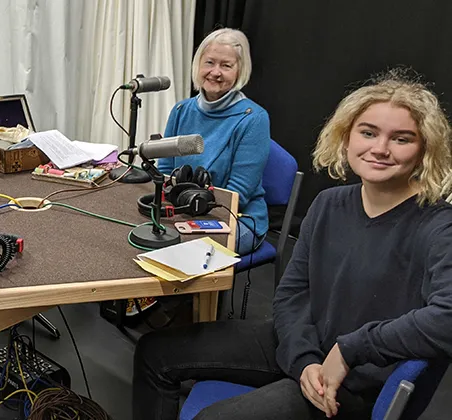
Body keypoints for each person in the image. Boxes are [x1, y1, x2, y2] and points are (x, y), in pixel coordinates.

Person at [132, 69, 452, 420]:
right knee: (155, 353)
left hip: (356, 382)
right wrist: (303, 359)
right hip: (307, 346)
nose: (380, 148)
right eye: (368, 132)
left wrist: (350, 349)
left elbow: (446, 317)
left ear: (424, 150)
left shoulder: (439, 225)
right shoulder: (329, 204)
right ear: (346, 137)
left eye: (401, 139)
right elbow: (292, 293)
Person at [156, 28, 269, 255]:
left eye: (226, 65)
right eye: (209, 62)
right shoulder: (181, 110)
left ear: (240, 71)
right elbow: (165, 171)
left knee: (180, 251)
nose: (215, 72)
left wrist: (187, 223)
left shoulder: (254, 119)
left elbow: (237, 194)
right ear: (198, 64)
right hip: (183, 209)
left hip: (236, 218)